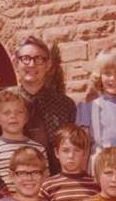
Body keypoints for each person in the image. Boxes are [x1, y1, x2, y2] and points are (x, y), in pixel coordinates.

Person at [12, 35, 76, 173]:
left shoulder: (65, 105)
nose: (32, 64)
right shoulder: (3, 104)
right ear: (15, 63)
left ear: (48, 65)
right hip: (14, 183)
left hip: (56, 183)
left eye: (39, 59)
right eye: (25, 58)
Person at [0, 88, 46, 193]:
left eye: (19, 112)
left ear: (26, 118)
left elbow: (44, 180)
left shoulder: (38, 149)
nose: (13, 116)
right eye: (7, 113)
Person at [76, 47, 116, 154]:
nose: (113, 78)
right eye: (107, 73)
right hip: (99, 164)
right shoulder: (87, 108)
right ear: (99, 76)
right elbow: (82, 148)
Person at [39, 123, 101, 201]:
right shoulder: (48, 186)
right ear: (56, 153)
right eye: (65, 150)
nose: (71, 155)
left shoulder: (95, 184)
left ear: (84, 153)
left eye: (77, 150)